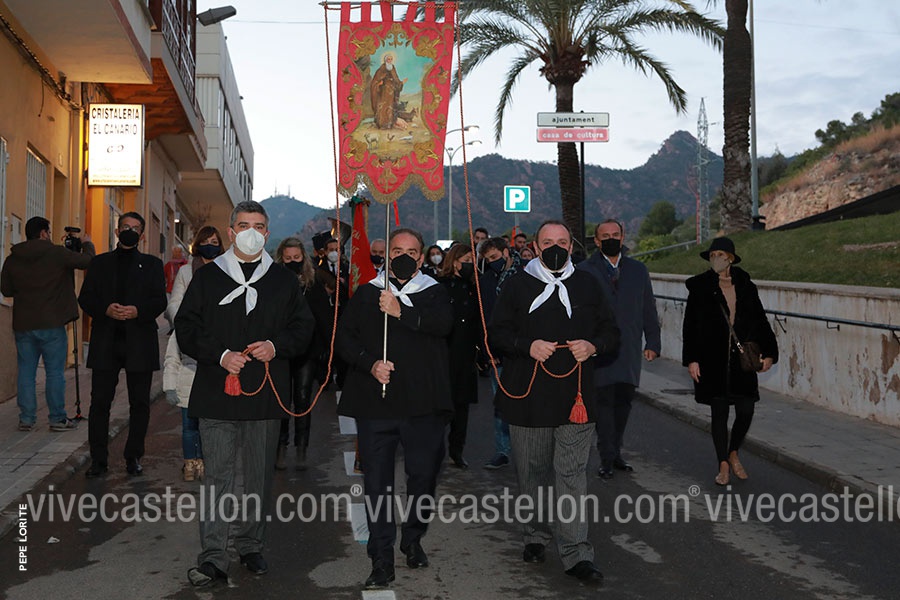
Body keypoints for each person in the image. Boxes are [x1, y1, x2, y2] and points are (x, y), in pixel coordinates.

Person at [176, 201, 314, 586]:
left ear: (266, 233)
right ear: (231, 231)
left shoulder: (283, 281)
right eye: (243, 225)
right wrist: (220, 355)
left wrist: (276, 346)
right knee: (217, 477)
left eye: (258, 226)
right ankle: (213, 556)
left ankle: (251, 544)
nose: (250, 232)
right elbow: (186, 327)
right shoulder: (208, 277)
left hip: (265, 393)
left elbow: (304, 328)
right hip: (216, 390)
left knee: (258, 477)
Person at [489, 220, 619, 584]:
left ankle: (577, 553)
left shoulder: (589, 283)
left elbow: (611, 331)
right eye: (548, 242)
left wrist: (593, 346)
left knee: (572, 474)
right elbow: (496, 333)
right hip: (528, 394)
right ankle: (534, 533)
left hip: (576, 396)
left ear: (572, 246)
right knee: (532, 473)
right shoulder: (517, 284)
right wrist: (525, 346)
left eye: (562, 242)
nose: (556, 248)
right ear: (535, 247)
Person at [335, 227, 453, 590]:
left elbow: (443, 326)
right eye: (397, 250)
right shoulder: (367, 293)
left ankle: (413, 537)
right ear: (386, 255)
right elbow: (344, 339)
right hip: (377, 404)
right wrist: (369, 364)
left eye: (411, 252)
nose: (403, 256)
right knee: (376, 484)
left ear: (421, 257)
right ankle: (381, 558)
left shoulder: (434, 292)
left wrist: (402, 311)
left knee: (423, 477)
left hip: (423, 406)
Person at [682, 237, 778, 486]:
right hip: (711, 360)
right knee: (719, 413)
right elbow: (690, 325)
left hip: (741, 361)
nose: (716, 259)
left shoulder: (746, 286)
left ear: (731, 259)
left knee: (746, 410)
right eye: (712, 255)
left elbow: (761, 320)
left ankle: (733, 451)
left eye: (721, 255)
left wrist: (770, 353)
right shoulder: (700, 287)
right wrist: (692, 359)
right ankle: (723, 464)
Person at [78, 212, 167, 477]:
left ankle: (133, 456)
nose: (130, 231)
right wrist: (105, 309)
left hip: (140, 341)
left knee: (139, 403)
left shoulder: (152, 265)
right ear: (117, 232)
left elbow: (159, 301)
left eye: (135, 228)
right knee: (99, 403)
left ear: (142, 235)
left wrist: (138, 311)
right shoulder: (99, 263)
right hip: (106, 341)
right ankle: (98, 460)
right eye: (125, 227)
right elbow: (86, 298)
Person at [578, 219, 661, 479]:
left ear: (623, 237)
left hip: (629, 350)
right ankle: (606, 456)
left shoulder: (638, 270)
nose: (611, 239)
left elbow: (648, 307)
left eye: (615, 234)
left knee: (623, 404)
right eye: (605, 236)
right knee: (603, 405)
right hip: (599, 350)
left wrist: (653, 342)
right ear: (597, 241)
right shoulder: (584, 270)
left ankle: (615, 452)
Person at [1, 216, 95, 432]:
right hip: (52, 323)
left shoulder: (13, 258)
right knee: (54, 372)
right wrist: (87, 244)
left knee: (26, 372)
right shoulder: (57, 253)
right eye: (49, 232)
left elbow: (6, 290)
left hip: (24, 324)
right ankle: (57, 418)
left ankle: (26, 418)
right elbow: (88, 261)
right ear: (43, 233)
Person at [163, 225, 224, 481]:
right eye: (206, 241)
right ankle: (191, 462)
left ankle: (208, 460)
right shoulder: (187, 272)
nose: (210, 245)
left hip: (216, 342)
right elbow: (175, 303)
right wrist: (187, 323)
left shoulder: (226, 270)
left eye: (215, 241)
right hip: (190, 338)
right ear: (198, 244)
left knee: (210, 420)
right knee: (189, 421)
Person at [273, 237, 333, 471]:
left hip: (307, 351)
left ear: (303, 257)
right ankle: (280, 447)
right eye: (288, 258)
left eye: (296, 258)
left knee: (303, 399)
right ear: (281, 258)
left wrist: (328, 350)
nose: (292, 262)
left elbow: (324, 317)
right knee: (281, 400)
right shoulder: (273, 282)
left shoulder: (313, 282)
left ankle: (301, 448)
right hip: (280, 350)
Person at [478, 237, 522, 470]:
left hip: (525, 350)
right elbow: (483, 317)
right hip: (497, 352)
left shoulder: (527, 274)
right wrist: (487, 351)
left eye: (494, 257)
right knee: (501, 404)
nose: (492, 262)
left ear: (506, 253)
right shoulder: (486, 280)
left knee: (527, 401)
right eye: (487, 260)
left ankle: (529, 450)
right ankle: (502, 450)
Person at [437, 243, 480, 468]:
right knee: (442, 407)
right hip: (444, 354)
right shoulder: (440, 286)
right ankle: (434, 450)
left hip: (466, 354)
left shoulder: (474, 287)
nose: (471, 264)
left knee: (462, 408)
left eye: (473, 260)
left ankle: (457, 450)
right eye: (467, 260)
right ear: (455, 262)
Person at [370, 52, 409, 129]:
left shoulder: (392, 68)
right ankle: (382, 124)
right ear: (385, 60)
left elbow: (396, 79)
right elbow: (375, 81)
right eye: (388, 59)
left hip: (391, 92)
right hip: (383, 91)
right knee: (383, 107)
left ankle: (389, 123)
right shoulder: (381, 69)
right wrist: (378, 84)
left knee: (390, 107)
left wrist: (401, 83)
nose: (390, 60)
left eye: (391, 59)